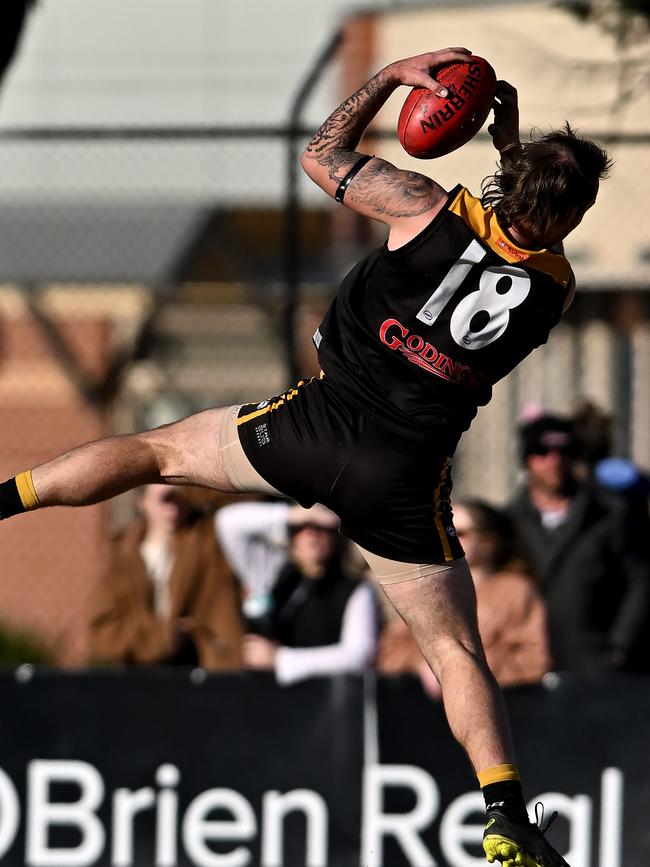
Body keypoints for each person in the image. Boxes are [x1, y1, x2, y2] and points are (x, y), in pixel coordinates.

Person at [0, 47, 611, 867]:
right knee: (456, 651)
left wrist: (391, 78)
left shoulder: (423, 205)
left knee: (151, 453)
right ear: (571, 218)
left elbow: (320, 155)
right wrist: (511, 154)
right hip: (402, 479)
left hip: (312, 426)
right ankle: (503, 809)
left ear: (507, 185)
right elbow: (524, 236)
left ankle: (7, 499)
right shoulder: (557, 287)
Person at [509, 413, 650, 674]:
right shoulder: (511, 521)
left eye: (564, 451)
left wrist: (620, 647)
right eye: (543, 451)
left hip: (599, 663)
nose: (555, 460)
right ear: (527, 459)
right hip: (530, 665)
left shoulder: (611, 513)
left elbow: (642, 577)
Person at [379, 499, 552, 696]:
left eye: (457, 532)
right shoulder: (425, 590)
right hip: (422, 712)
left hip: (501, 708)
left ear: (488, 543)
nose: (445, 538)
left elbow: (535, 660)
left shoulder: (516, 591)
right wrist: (426, 664)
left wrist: (462, 669)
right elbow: (388, 654)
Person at [216, 500, 378, 684]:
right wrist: (294, 514)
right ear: (291, 536)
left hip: (327, 702)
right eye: (302, 526)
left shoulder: (357, 590)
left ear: (336, 535)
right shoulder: (274, 572)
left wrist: (280, 659)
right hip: (267, 698)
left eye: (321, 526)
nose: (311, 533)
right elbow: (227, 522)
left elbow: (358, 656)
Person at [89, 485, 245, 669]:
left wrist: (191, 488)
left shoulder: (204, 543)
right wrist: (163, 636)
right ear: (142, 503)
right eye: (166, 499)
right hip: (140, 674)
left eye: (181, 499)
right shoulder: (124, 558)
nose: (174, 507)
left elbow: (241, 497)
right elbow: (103, 633)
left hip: (197, 669)